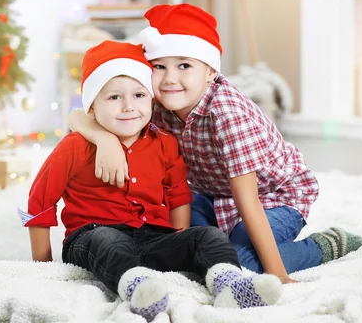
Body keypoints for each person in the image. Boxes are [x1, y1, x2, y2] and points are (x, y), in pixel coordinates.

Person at [68, 4, 362, 285]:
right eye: (159, 66)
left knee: (241, 260)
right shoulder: (156, 102)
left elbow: (247, 200)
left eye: (184, 65)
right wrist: (104, 139)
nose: (170, 79)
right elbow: (78, 115)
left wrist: (279, 275)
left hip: (271, 197)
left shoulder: (228, 114)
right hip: (210, 195)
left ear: (211, 71)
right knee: (184, 246)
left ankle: (324, 245)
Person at [19, 40, 283, 322]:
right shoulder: (75, 146)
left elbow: (179, 195)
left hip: (151, 237)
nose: (129, 107)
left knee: (209, 235)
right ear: (92, 108)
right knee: (107, 238)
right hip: (91, 237)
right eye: (113, 98)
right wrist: (43, 266)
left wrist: (178, 239)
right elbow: (40, 200)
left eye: (139, 95)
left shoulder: (164, 144)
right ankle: (139, 288)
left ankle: (231, 284)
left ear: (152, 100)